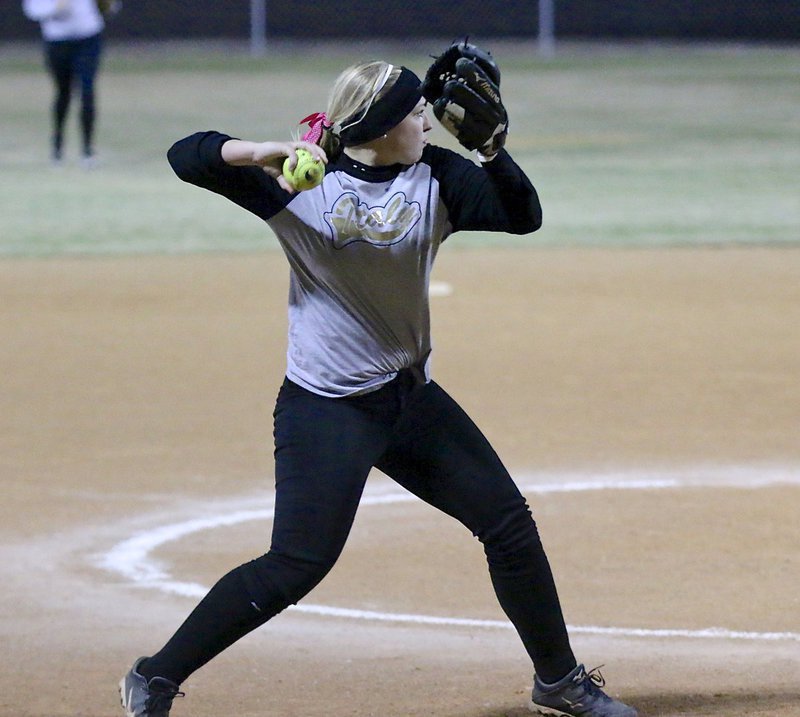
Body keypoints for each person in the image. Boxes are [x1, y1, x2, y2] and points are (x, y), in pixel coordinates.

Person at [118, 43, 638, 717]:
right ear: (383, 129)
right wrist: (262, 152)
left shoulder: (438, 177)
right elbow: (186, 154)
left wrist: (493, 151)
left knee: (507, 523)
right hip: (328, 405)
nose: (429, 121)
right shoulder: (296, 184)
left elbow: (522, 214)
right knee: (297, 563)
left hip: (408, 400)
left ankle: (558, 679)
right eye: (418, 113)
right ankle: (155, 674)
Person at [22, 0, 117, 166]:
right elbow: (33, 10)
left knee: (87, 91)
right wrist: (56, 7)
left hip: (87, 37)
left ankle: (87, 151)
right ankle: (58, 146)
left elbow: (108, 8)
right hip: (57, 41)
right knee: (63, 93)